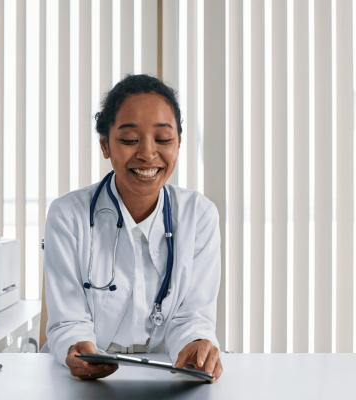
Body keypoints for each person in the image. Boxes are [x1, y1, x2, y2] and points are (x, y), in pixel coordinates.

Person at [42, 74, 223, 382]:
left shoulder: (199, 214)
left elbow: (192, 315)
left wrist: (196, 345)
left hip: (168, 375)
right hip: (84, 380)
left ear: (178, 144)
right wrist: (77, 348)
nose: (147, 154)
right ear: (105, 145)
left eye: (163, 139)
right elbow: (68, 320)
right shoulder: (67, 214)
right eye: (129, 140)